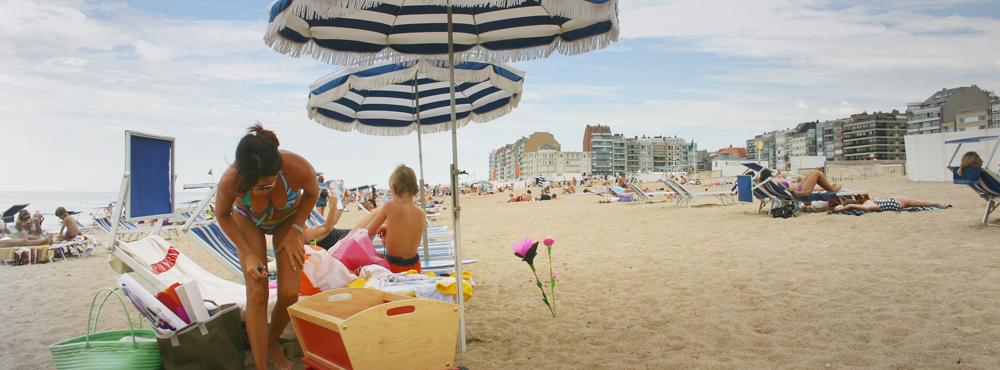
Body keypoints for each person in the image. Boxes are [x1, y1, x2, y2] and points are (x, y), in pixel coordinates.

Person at [215, 123, 319, 370]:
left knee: (289, 294)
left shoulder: (297, 167)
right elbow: (222, 215)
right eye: (251, 188)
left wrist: (296, 229)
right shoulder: (230, 180)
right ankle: (261, 366)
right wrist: (247, 253)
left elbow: (312, 194)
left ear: (278, 170)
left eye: (265, 186)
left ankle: (271, 343)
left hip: (287, 221)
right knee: (258, 293)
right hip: (248, 221)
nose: (258, 193)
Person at [362, 164, 426, 273]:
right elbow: (414, 239)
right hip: (415, 265)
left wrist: (382, 228)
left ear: (395, 189)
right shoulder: (421, 213)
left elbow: (369, 231)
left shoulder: (390, 206)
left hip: (393, 265)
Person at [758, 168, 840, 195]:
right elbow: (789, 192)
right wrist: (805, 192)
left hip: (799, 186)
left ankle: (828, 188)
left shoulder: (768, 184)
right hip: (802, 189)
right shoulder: (774, 183)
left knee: (813, 172)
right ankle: (832, 190)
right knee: (817, 173)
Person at [834, 196, 949, 212]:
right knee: (918, 203)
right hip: (895, 202)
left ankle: (939, 203)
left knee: (920, 202)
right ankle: (939, 203)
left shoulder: (867, 206)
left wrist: (842, 208)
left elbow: (851, 206)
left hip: (896, 202)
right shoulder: (868, 202)